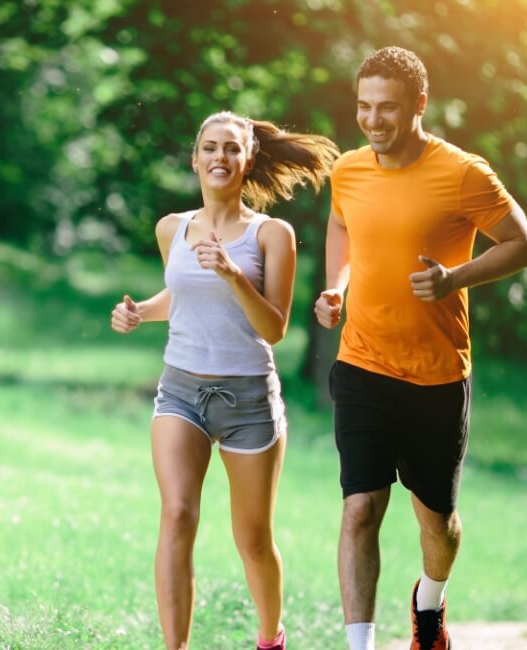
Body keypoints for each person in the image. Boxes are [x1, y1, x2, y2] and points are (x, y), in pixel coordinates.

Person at [314, 47, 527, 650]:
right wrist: (337, 285)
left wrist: (452, 279)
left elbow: (524, 245)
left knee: (437, 522)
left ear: (420, 104)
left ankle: (430, 605)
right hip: (362, 362)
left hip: (437, 376)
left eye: (387, 107)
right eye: (363, 106)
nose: (372, 120)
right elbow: (340, 225)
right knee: (360, 508)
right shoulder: (350, 170)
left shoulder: (463, 173)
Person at [111, 111, 338, 650]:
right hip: (182, 390)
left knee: (253, 540)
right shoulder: (173, 228)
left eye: (232, 149)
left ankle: (269, 639)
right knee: (177, 513)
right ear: (195, 159)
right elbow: (183, 296)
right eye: (210, 148)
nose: (220, 157)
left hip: (248, 401)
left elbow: (274, 327)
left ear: (248, 158)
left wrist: (233, 274)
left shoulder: (272, 235)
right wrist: (140, 311)